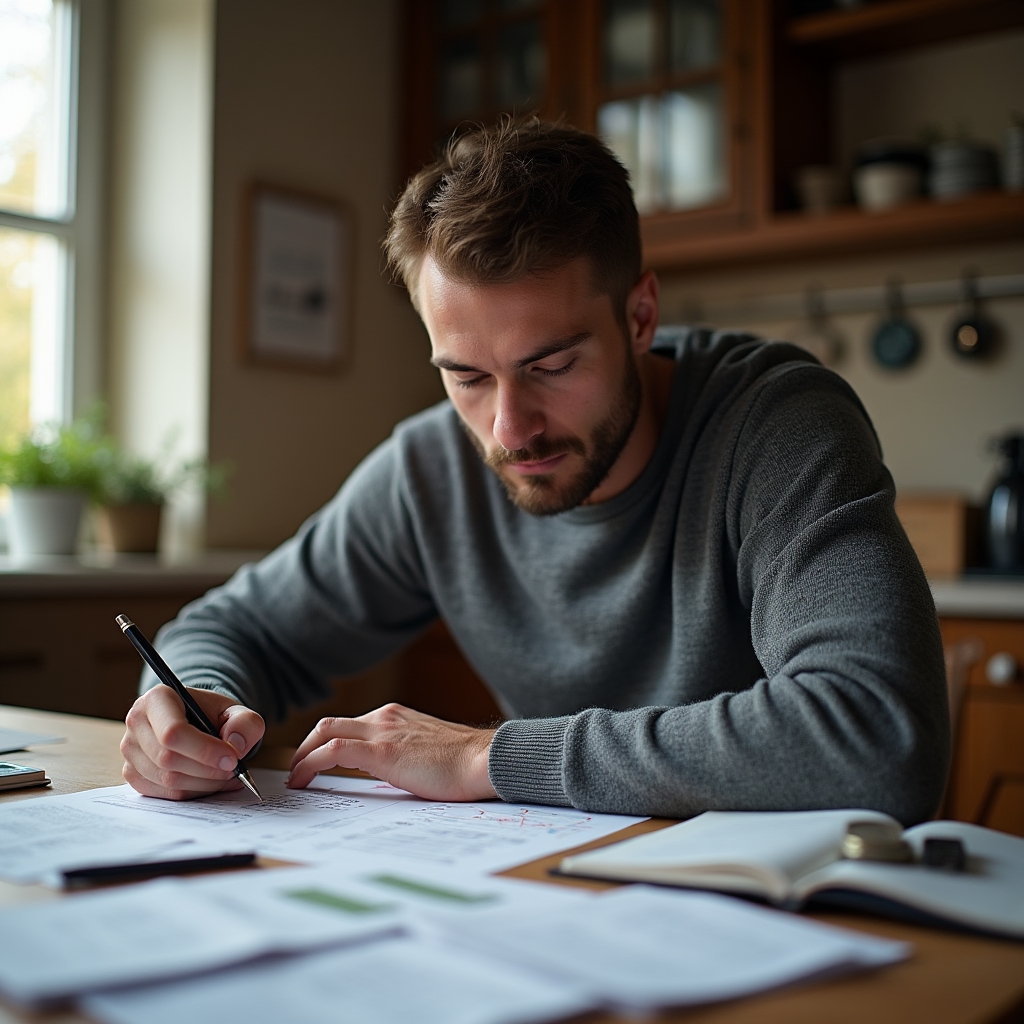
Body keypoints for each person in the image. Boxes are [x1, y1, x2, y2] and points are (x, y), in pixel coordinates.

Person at [120, 119, 949, 823]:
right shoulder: (430, 469)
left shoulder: (776, 424)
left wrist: (490, 757)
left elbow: (876, 733)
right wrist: (192, 705)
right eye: (467, 376)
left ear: (640, 316)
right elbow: (236, 627)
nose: (509, 428)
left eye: (551, 364)